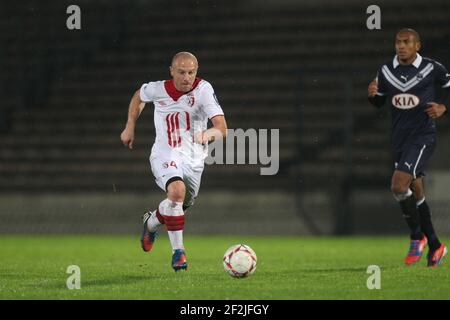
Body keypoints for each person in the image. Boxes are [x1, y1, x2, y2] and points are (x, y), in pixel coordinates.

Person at [120, 52, 227, 271]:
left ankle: (151, 222)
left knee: (178, 205)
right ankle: (179, 253)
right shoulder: (158, 89)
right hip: (165, 154)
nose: (186, 77)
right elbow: (139, 96)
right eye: (181, 72)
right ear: (171, 71)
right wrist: (130, 124)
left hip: (194, 160)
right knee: (176, 192)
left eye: (191, 72)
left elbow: (222, 128)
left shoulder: (204, 90)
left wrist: (207, 135)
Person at [368, 28, 450, 267]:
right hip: (400, 139)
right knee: (415, 190)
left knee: (398, 185)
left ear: (418, 46)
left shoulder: (433, 68)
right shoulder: (385, 70)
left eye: (406, 42)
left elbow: (448, 89)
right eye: (398, 42)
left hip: (423, 136)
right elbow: (379, 102)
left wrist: (443, 107)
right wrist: (372, 95)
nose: (401, 46)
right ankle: (436, 245)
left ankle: (417, 236)